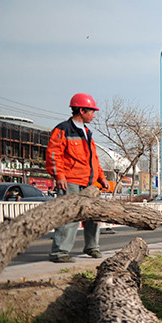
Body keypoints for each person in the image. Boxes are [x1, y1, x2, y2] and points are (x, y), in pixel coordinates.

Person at [45, 93, 109, 263]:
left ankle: (92, 247)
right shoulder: (63, 129)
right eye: (92, 112)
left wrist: (101, 177)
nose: (94, 115)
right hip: (70, 181)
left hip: (90, 183)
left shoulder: (87, 132)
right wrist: (59, 175)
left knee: (93, 217)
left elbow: (94, 159)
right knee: (69, 217)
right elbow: (53, 154)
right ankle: (60, 252)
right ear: (82, 110)